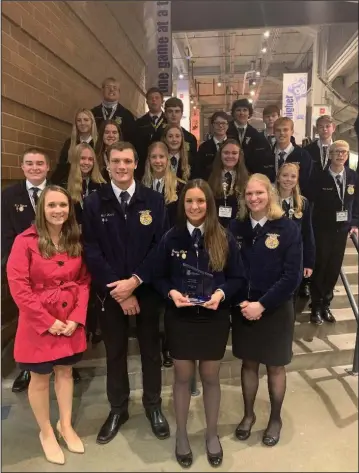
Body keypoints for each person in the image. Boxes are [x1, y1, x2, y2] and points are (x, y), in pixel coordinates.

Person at [81, 141, 170, 444]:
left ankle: (153, 405)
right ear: (105, 165)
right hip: (110, 293)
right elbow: (91, 250)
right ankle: (118, 408)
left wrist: (135, 281)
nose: (121, 166)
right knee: (115, 353)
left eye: (127, 161)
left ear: (136, 164)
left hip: (146, 291)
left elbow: (161, 248)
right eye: (115, 161)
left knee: (151, 352)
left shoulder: (154, 201)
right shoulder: (94, 202)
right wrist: (120, 289)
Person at [153, 179, 245, 468]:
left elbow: (238, 279)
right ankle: (181, 435)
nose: (195, 206)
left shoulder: (224, 237)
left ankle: (211, 434)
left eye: (201, 201)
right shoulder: (171, 237)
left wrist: (221, 293)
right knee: (181, 376)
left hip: (213, 316)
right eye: (189, 201)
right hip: (180, 316)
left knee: (210, 376)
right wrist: (171, 292)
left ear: (210, 204)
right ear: (182, 204)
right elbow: (158, 276)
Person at [6, 185, 90, 465]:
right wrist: (47, 321)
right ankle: (46, 432)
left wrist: (76, 317)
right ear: (41, 209)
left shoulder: (74, 238)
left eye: (63, 206)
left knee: (65, 373)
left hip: (68, 319)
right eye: (52, 205)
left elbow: (83, 280)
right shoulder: (24, 241)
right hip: (38, 320)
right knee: (40, 379)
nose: (58, 211)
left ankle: (65, 425)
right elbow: (19, 287)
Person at [229, 174, 302, 447]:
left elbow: (291, 277)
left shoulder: (287, 229)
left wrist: (262, 304)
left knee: (275, 367)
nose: (254, 198)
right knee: (248, 364)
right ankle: (248, 416)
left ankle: (275, 418)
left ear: (270, 194)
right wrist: (242, 303)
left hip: (275, 310)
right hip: (244, 308)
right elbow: (231, 269)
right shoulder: (236, 227)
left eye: (259, 193)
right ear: (244, 198)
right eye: (249, 194)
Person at [1, 148, 81, 392]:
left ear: (48, 167)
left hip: (60, 273)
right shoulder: (8, 195)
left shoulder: (60, 194)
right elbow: (5, 234)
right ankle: (29, 370)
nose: (34, 168)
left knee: (62, 326)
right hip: (28, 272)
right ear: (22, 167)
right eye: (29, 163)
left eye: (39, 163)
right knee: (29, 322)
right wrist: (13, 264)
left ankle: (63, 362)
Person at [142, 141, 185, 368]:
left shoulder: (180, 188)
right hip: (147, 254)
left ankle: (168, 348)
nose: (158, 161)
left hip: (172, 253)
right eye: (154, 157)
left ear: (169, 159)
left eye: (162, 156)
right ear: (148, 160)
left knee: (169, 304)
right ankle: (151, 347)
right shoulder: (140, 187)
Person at [308, 140, 359, 325]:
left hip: (342, 231)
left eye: (344, 152)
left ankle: (325, 305)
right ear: (330, 154)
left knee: (333, 269)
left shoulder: (353, 176)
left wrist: (354, 222)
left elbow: (356, 202)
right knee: (320, 267)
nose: (340, 155)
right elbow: (311, 204)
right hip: (322, 230)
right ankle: (315, 306)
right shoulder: (319, 176)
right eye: (337, 151)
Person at [276, 163, 315, 300]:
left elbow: (307, 233)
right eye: (285, 175)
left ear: (297, 179)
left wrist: (309, 262)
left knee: (291, 295)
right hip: (273, 255)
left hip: (295, 257)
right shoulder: (269, 201)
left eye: (293, 176)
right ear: (278, 177)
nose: (288, 179)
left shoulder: (302, 203)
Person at [208, 139, 249, 228]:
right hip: (214, 226)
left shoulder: (247, 179)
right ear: (220, 155)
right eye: (226, 153)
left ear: (239, 156)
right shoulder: (209, 176)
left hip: (238, 226)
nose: (230, 156)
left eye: (234, 153)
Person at [270, 117, 313, 196]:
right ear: (273, 132)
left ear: (292, 131)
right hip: (271, 200)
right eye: (278, 130)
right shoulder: (266, 155)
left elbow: (308, 182)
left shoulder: (303, 155)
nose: (282, 133)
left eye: (285, 130)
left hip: (295, 201)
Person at [227, 98, 271, 174]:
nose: (242, 113)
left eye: (245, 110)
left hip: (249, 175)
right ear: (233, 113)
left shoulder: (255, 134)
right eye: (238, 110)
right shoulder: (226, 131)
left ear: (249, 113)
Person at [91, 77, 136, 144]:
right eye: (108, 87)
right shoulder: (93, 113)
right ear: (102, 90)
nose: (111, 89)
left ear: (119, 92)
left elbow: (131, 140)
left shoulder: (127, 115)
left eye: (115, 88)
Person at [151, 97, 198, 162]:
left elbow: (194, 163)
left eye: (177, 111)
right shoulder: (157, 136)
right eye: (170, 111)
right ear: (165, 114)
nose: (174, 114)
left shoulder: (190, 138)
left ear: (181, 114)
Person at [135, 87, 166, 179]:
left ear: (162, 101)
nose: (154, 100)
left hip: (164, 166)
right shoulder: (139, 123)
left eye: (157, 98)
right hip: (143, 168)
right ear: (147, 102)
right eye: (151, 98)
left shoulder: (168, 121)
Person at [192, 111, 229, 180]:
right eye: (217, 123)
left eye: (223, 123)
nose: (220, 126)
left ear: (228, 125)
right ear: (212, 125)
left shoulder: (233, 145)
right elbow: (198, 170)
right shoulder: (204, 147)